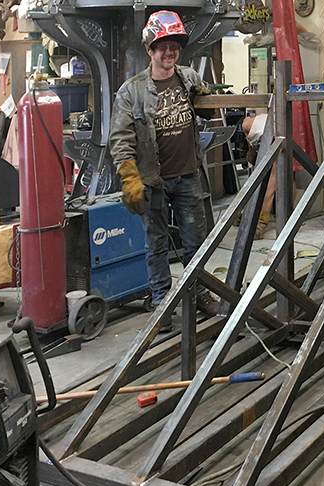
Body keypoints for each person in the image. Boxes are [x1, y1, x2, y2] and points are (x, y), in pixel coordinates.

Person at [109, 10, 220, 322]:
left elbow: (208, 111)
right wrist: (129, 177)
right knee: (156, 244)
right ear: (150, 50)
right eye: (162, 47)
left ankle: (199, 293)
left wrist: (208, 103)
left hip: (188, 176)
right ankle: (161, 302)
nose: (169, 52)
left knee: (196, 241)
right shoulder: (131, 91)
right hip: (153, 181)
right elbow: (120, 138)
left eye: (174, 46)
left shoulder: (190, 78)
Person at [241, 114, 276, 240]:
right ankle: (246, 213)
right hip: (269, 129)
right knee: (262, 180)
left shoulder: (249, 126)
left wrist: (260, 222)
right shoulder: (251, 128)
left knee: (272, 182)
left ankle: (261, 221)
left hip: (279, 134)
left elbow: (270, 188)